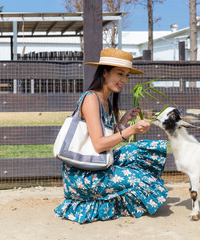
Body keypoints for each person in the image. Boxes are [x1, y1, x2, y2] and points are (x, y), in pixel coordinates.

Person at [54, 48, 168, 223]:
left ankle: (112, 194)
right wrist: (131, 130)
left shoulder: (106, 100)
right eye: (120, 73)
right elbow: (99, 145)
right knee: (140, 179)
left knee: (139, 151)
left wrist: (123, 122)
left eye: (127, 75)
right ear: (105, 73)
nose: (123, 80)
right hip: (82, 174)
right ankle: (95, 200)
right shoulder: (91, 99)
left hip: (98, 164)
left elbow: (105, 138)